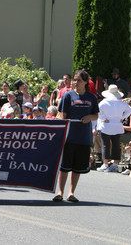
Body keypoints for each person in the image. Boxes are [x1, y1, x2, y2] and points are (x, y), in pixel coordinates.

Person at [53, 70, 99, 203]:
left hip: (83, 137)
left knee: (77, 167)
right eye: (74, 79)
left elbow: (96, 115)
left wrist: (89, 117)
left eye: (78, 80)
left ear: (85, 82)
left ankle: (71, 193)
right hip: (69, 136)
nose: (75, 82)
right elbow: (63, 115)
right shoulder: (68, 96)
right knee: (64, 166)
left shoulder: (91, 98)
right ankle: (60, 192)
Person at [96, 84, 131, 173]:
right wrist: (123, 117)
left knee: (106, 145)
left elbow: (97, 111)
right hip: (117, 125)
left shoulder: (104, 102)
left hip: (107, 126)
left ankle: (105, 164)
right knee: (116, 145)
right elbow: (130, 110)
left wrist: (103, 118)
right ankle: (115, 164)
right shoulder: (121, 102)